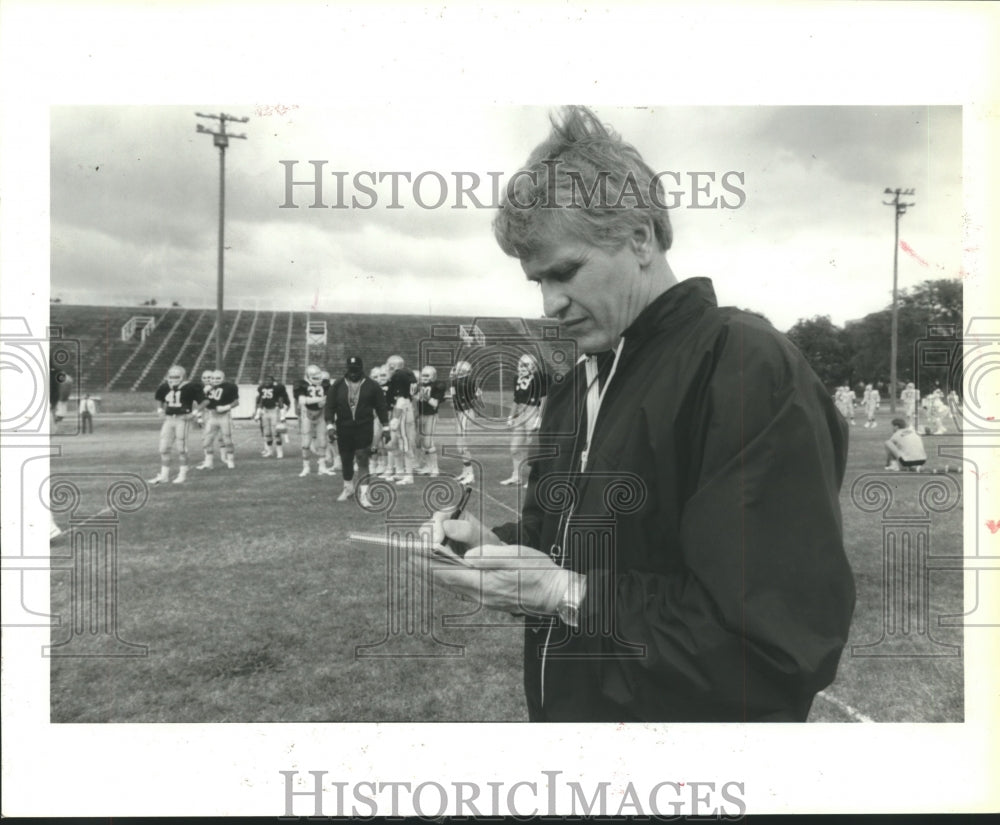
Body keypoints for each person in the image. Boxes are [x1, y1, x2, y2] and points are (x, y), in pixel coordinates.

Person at [421, 106, 855, 722]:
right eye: (535, 282)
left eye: (565, 272)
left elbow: (774, 648)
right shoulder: (577, 385)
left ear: (640, 237)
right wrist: (492, 548)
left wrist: (566, 593)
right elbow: (566, 551)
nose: (549, 304)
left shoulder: (743, 366)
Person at [325, 355, 390, 506]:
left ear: (362, 369)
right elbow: (330, 406)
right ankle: (348, 488)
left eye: (356, 370)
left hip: (364, 427)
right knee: (346, 460)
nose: (353, 373)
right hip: (344, 427)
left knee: (362, 459)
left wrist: (386, 427)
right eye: (350, 370)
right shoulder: (338, 385)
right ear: (346, 369)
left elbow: (381, 407)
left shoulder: (373, 386)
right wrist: (329, 426)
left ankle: (364, 495)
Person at [150, 365, 204, 484]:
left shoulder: (190, 387)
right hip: (169, 420)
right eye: (171, 376)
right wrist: (160, 410)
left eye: (176, 376)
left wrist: (194, 413)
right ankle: (164, 476)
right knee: (163, 448)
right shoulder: (165, 386)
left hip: (182, 420)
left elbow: (204, 401)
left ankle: (182, 474)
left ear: (183, 377)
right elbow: (159, 398)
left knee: (182, 449)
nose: (173, 379)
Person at [501, 353, 547, 486]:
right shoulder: (517, 378)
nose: (521, 366)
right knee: (514, 448)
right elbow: (516, 399)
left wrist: (540, 417)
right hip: (521, 414)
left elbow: (544, 398)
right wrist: (511, 416)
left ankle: (535, 479)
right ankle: (516, 476)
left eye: (525, 364)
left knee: (533, 448)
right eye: (520, 363)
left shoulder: (539, 378)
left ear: (533, 366)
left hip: (533, 412)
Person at [197, 369, 238, 470]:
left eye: (218, 378)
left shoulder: (230, 387)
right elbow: (201, 402)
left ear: (223, 379)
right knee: (206, 441)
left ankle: (230, 460)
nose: (215, 380)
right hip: (212, 416)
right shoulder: (206, 388)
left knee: (227, 440)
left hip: (224, 416)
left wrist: (226, 407)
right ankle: (209, 462)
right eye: (213, 378)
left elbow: (236, 402)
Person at [450, 359, 481, 485]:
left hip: (466, 412)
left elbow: (477, 396)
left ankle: (470, 474)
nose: (454, 371)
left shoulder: (466, 382)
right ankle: (465, 471)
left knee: (462, 445)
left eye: (457, 369)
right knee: (460, 445)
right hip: (461, 412)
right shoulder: (457, 382)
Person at [295, 364, 329, 476]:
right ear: (307, 376)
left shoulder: (325, 383)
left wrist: (326, 400)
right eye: (314, 376)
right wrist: (321, 399)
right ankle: (306, 467)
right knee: (306, 443)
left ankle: (322, 466)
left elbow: (331, 397)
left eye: (318, 375)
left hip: (321, 414)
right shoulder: (301, 384)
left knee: (323, 441)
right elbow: (302, 400)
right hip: (307, 415)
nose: (317, 378)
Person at [414, 365, 448, 476]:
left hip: (430, 415)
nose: (423, 377)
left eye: (426, 375)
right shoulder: (419, 386)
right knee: (421, 442)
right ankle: (428, 466)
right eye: (422, 375)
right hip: (420, 415)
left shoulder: (437, 386)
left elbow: (435, 403)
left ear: (433, 376)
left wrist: (425, 396)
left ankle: (435, 468)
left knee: (428, 443)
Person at [253, 375, 290, 458]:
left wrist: (282, 415)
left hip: (274, 411)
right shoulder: (262, 389)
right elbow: (261, 402)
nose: (267, 382)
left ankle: (279, 452)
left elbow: (280, 401)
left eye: (269, 380)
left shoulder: (277, 389)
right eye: (265, 380)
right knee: (267, 433)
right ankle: (269, 451)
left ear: (273, 381)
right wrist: (258, 414)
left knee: (276, 433)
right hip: (265, 411)